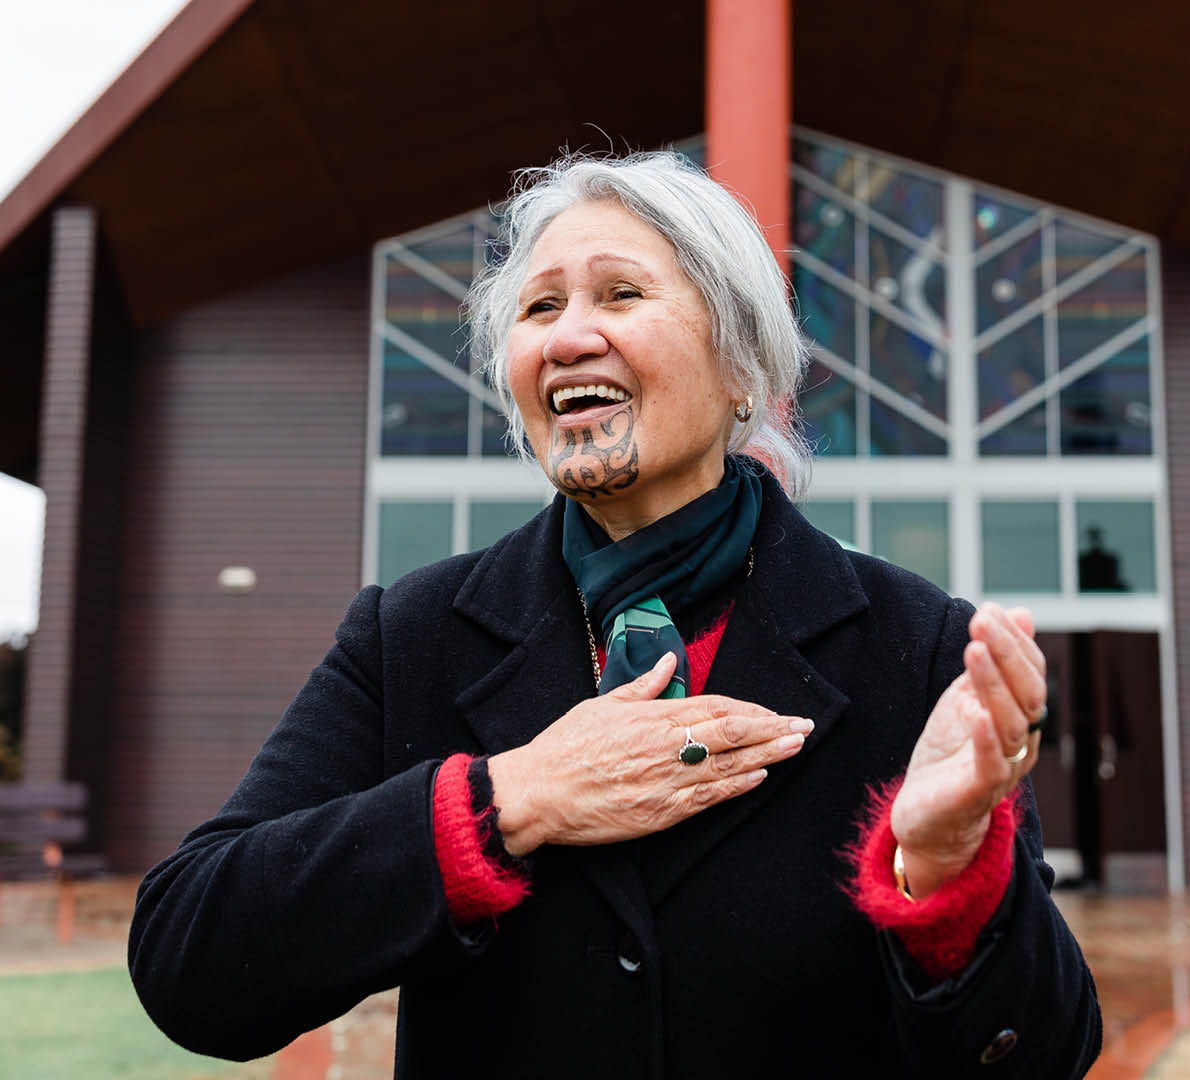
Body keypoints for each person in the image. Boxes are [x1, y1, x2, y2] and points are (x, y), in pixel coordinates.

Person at [128, 151, 1101, 1079]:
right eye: (539, 307)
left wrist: (944, 873)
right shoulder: (411, 636)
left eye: (620, 294)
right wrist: (506, 802)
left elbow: (1046, 1057)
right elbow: (191, 961)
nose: (564, 336)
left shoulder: (916, 644)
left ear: (743, 372)